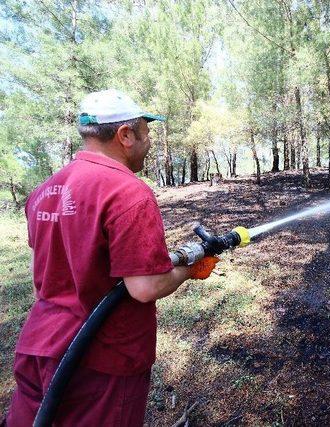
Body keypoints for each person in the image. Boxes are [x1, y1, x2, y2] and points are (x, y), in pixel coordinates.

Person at [2, 89, 217, 426]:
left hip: (39, 347)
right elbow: (145, 287)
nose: (149, 143)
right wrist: (191, 270)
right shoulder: (127, 191)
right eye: (145, 134)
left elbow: (39, 280)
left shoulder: (45, 190)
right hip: (102, 360)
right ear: (125, 135)